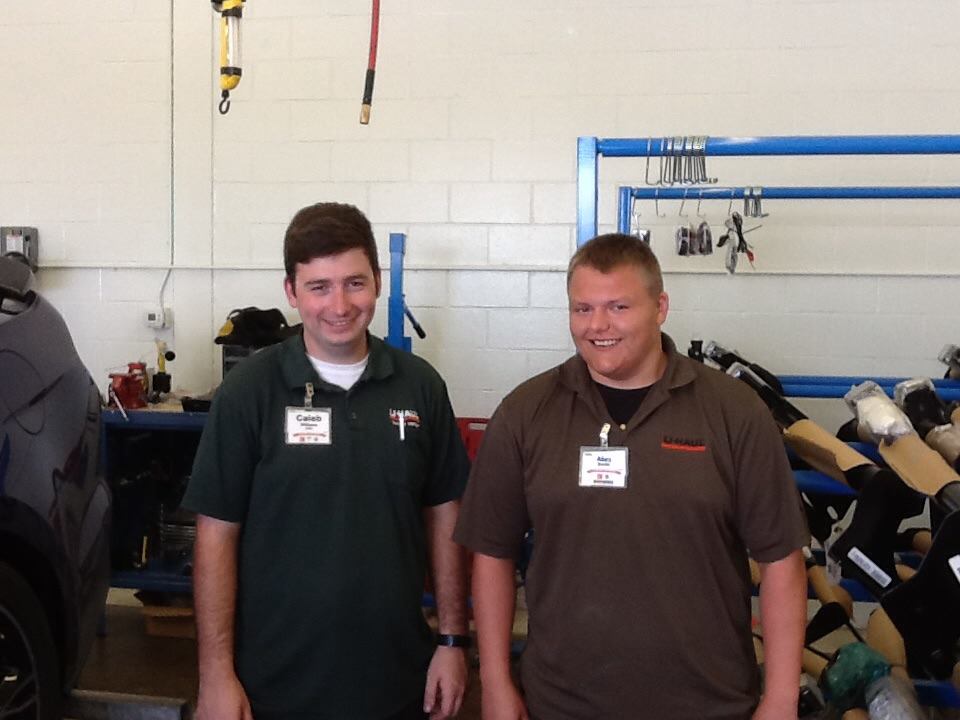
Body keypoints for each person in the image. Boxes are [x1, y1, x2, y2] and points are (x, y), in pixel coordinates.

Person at [454, 233, 808, 720]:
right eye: (582, 309)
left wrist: (782, 699)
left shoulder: (734, 412)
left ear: (660, 307)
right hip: (562, 704)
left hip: (710, 703)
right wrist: (494, 680)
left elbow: (781, 560)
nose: (598, 325)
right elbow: (493, 553)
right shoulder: (525, 413)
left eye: (618, 307)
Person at [182, 202, 471, 720]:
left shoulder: (419, 385)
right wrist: (216, 674)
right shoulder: (249, 391)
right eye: (319, 287)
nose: (339, 305)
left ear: (377, 282)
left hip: (396, 683)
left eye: (354, 283)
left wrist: (452, 640)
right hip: (272, 686)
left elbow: (444, 513)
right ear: (291, 292)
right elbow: (216, 534)